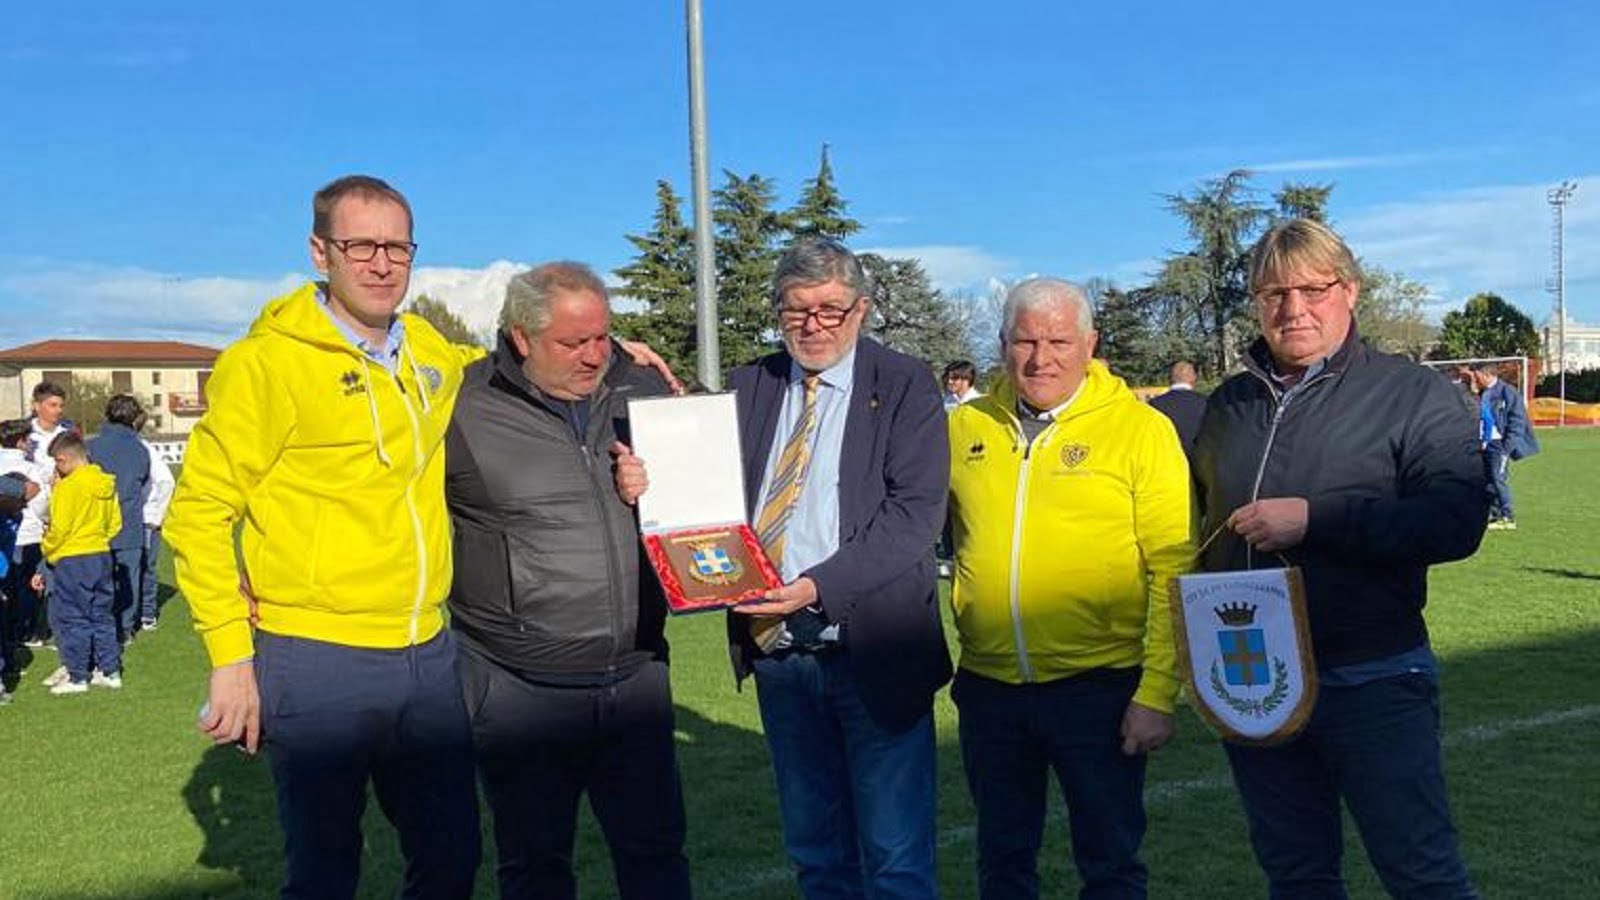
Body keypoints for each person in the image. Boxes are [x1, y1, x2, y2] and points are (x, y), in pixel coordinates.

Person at [164, 174, 483, 898]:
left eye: (396, 247)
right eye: (360, 245)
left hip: (429, 655)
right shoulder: (266, 363)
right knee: (324, 871)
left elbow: (491, 366)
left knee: (452, 858)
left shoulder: (428, 350)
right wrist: (230, 659)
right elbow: (199, 511)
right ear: (320, 253)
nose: (380, 263)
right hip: (316, 660)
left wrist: (601, 347)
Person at [1192, 218, 1486, 899]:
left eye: (1312, 289)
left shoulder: (1414, 394)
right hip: (1255, 679)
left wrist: (1314, 520)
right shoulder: (1229, 405)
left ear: (1349, 291)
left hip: (1373, 675)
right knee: (1296, 877)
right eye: (1273, 293)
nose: (1293, 309)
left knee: (1422, 875)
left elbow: (1457, 521)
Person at [684, 237, 951, 897]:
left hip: (875, 653)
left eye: (830, 309)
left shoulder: (905, 384)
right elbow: (699, 487)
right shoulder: (752, 385)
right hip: (781, 658)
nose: (812, 325)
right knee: (816, 856)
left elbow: (913, 520)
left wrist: (812, 589)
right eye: (796, 309)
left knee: (895, 860)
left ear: (861, 311)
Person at [446, 262, 689, 900]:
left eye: (602, 338)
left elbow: (700, 494)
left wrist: (669, 477)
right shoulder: (460, 404)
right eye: (572, 343)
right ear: (521, 338)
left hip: (636, 675)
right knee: (533, 865)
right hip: (519, 686)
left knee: (656, 856)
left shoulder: (645, 389)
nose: (592, 357)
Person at [945, 279, 1192, 899]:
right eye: (1025, 340)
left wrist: (1158, 691)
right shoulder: (965, 425)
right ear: (1002, 345)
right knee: (1001, 861)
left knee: (1109, 865)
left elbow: (1174, 566)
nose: (1041, 357)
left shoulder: (1140, 429)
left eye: (1058, 340)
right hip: (989, 689)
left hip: (1100, 689)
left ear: (1090, 344)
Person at [33, 432, 121, 695]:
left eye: (57, 463)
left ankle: (78, 675)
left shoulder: (68, 488)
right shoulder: (106, 483)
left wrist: (48, 549)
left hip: (72, 557)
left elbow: (59, 528)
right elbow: (116, 522)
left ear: (64, 459)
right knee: (102, 614)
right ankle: (110, 671)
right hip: (101, 553)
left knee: (73, 617)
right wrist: (99, 539)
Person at [88, 394, 151, 642]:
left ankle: (100, 625)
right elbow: (144, 479)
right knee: (129, 577)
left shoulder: (91, 446)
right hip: (129, 520)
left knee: (98, 578)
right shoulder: (139, 449)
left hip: (96, 521)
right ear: (134, 418)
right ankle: (125, 628)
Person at [1473, 363, 1535, 530]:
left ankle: (1508, 517)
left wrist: (1508, 446)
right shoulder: (1482, 392)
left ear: (1487, 375)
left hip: (1500, 444)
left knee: (1498, 479)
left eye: (1477, 377)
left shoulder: (1508, 392)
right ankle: (1495, 515)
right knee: (1489, 480)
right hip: (1485, 444)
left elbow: (1517, 419)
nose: (1475, 380)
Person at [135, 414, 176, 630]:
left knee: (146, 566)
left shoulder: (144, 449)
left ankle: (147, 613)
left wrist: (154, 515)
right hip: (125, 517)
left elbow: (166, 481)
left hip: (145, 518)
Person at [1146, 360, 1207, 457]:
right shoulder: (1205, 403)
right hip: (1199, 462)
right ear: (1193, 378)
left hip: (1166, 462)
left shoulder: (1155, 404)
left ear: (1171, 378)